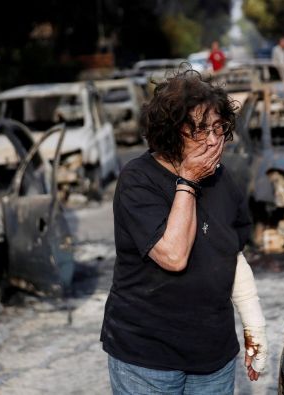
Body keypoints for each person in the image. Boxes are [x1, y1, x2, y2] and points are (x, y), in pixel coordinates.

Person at [101, 68, 268, 395]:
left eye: (219, 127)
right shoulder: (138, 180)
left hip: (213, 358)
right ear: (170, 131)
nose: (212, 139)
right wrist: (188, 180)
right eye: (200, 129)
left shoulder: (223, 180)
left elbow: (231, 257)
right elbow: (174, 256)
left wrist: (255, 327)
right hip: (146, 359)